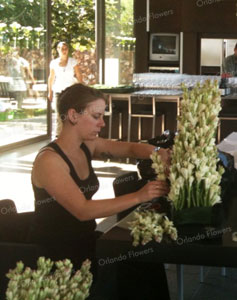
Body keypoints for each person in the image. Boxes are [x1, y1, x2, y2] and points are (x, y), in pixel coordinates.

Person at [30, 83, 171, 299]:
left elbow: (129, 148)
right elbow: (83, 210)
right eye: (96, 116)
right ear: (73, 115)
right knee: (134, 268)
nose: (102, 123)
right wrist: (140, 195)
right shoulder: (49, 161)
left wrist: (158, 152)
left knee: (146, 259)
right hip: (59, 253)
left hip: (86, 239)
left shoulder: (87, 145)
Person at [48, 41, 81, 135]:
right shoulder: (53, 63)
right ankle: (58, 135)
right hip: (58, 91)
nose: (64, 51)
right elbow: (51, 77)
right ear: (58, 50)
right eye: (62, 49)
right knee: (59, 113)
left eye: (65, 49)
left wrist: (81, 88)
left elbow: (78, 75)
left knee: (70, 113)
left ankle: (71, 133)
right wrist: (49, 92)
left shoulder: (73, 62)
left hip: (70, 91)